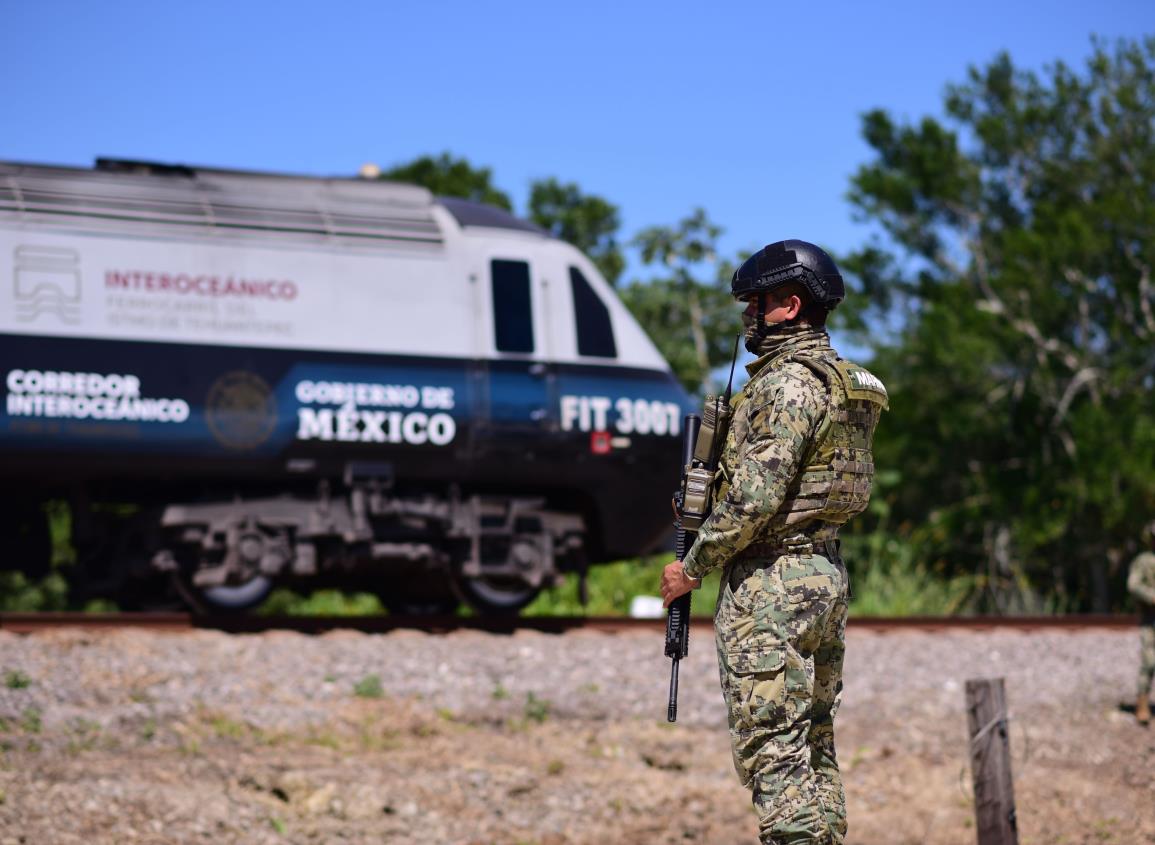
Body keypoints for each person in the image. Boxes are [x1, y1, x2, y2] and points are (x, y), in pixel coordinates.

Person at [661, 240, 887, 845]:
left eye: (756, 303)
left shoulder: (786, 385)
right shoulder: (842, 382)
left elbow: (755, 498)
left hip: (770, 588)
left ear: (790, 305)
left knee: (775, 755)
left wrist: (692, 567)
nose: (748, 317)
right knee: (812, 746)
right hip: (823, 576)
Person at [1126, 522, 1155, 726]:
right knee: (1149, 662)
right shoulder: (1144, 561)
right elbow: (1133, 585)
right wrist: (1152, 596)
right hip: (1150, 619)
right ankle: (1142, 704)